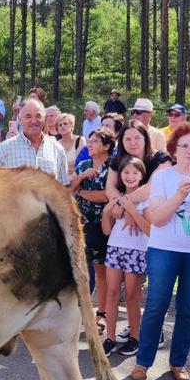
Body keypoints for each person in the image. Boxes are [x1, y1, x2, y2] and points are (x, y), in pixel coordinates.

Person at [130, 122, 190, 380]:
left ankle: (178, 362)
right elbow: (157, 219)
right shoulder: (163, 177)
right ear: (174, 149)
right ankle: (143, 361)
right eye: (185, 146)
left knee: (188, 308)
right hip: (164, 250)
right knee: (156, 305)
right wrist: (179, 196)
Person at [101, 155, 150, 356]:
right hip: (115, 248)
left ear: (142, 176)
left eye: (135, 173)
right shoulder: (116, 198)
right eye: (126, 172)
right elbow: (106, 231)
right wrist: (106, 212)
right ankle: (110, 338)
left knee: (131, 295)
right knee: (112, 293)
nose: (130, 176)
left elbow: (149, 230)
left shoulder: (146, 199)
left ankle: (135, 337)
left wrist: (131, 209)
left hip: (137, 250)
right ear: (120, 175)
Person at [70, 130, 114, 353]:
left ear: (107, 146)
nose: (91, 144)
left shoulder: (113, 167)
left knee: (101, 271)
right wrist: (81, 178)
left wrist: (84, 193)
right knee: (79, 270)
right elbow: (70, 189)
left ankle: (102, 313)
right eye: (91, 140)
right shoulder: (84, 164)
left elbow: (107, 195)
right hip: (81, 224)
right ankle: (80, 313)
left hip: (103, 225)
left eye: (96, 141)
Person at [0, 99, 70, 186]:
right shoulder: (2, 150)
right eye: (28, 116)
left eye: (38, 116)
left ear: (44, 118)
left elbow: (64, 187)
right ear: (19, 119)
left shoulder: (57, 149)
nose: (34, 121)